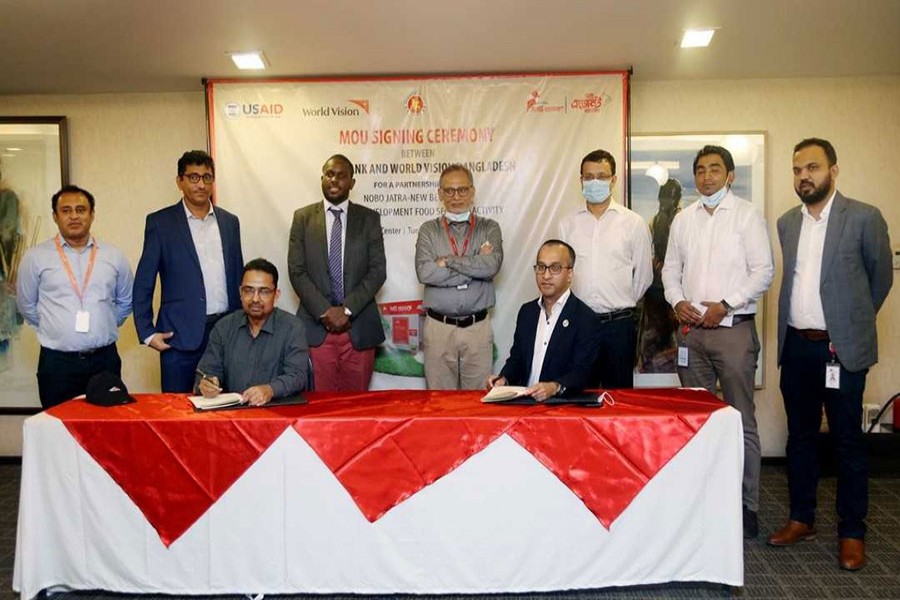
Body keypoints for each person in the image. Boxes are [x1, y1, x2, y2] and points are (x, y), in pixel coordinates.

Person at [768, 138, 893, 571]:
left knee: (847, 442)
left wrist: (849, 325)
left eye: (813, 167)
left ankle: (852, 531)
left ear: (833, 171)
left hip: (842, 349)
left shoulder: (863, 217)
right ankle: (802, 517)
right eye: (797, 169)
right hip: (797, 347)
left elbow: (879, 282)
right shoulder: (787, 222)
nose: (804, 176)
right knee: (799, 437)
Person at [661, 145, 774, 539]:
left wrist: (724, 305)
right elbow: (671, 269)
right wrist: (676, 301)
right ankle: (703, 501)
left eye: (715, 169)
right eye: (700, 170)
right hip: (691, 333)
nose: (706, 176)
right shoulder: (683, 220)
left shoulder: (746, 215)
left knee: (741, 420)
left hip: (733, 332)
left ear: (730, 176)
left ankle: (747, 506)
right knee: (697, 422)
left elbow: (764, 271)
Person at [133, 150, 244, 393]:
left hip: (225, 333)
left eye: (207, 177)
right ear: (179, 181)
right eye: (193, 177)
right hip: (179, 338)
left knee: (224, 410)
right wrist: (147, 332)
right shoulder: (160, 223)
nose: (201, 184)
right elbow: (144, 282)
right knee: (178, 413)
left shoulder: (229, 222)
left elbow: (237, 275)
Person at [16, 185, 133, 408]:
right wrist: (57, 327)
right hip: (57, 363)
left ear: (92, 215)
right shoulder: (35, 258)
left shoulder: (114, 257)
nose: (74, 216)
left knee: (105, 430)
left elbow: (126, 302)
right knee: (58, 428)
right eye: (66, 210)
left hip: (104, 360)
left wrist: (103, 322)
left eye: (81, 209)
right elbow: (27, 306)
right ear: (55, 216)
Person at [287, 154, 386, 391]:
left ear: (352, 183)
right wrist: (326, 311)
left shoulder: (369, 218)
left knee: (356, 409)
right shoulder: (303, 218)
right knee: (319, 409)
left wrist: (347, 309)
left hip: (359, 329)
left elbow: (377, 271)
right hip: (316, 328)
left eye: (342, 176)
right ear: (322, 178)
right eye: (329, 174)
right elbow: (296, 271)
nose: (334, 180)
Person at [558, 149, 652, 389]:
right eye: (588, 177)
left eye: (602, 176)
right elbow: (562, 275)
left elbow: (643, 277)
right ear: (581, 181)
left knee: (618, 398)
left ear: (614, 180)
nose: (595, 182)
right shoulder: (567, 224)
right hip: (578, 324)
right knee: (577, 394)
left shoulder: (633, 223)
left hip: (618, 326)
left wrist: (619, 302)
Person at [415, 164, 503, 389]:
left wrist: (448, 262)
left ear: (472, 192)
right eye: (449, 191)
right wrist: (474, 265)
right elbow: (425, 273)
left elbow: (491, 267)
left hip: (477, 329)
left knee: (477, 404)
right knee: (440, 405)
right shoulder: (428, 230)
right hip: (438, 329)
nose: (456, 196)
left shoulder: (489, 227)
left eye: (462, 190)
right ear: (440, 194)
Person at [486, 240, 600, 401]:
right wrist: (504, 379)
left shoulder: (586, 318)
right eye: (541, 267)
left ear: (569, 274)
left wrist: (554, 387)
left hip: (561, 408)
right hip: (525, 405)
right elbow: (517, 359)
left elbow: (583, 372)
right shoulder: (527, 312)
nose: (546, 275)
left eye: (555, 268)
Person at [196, 258, 309, 406]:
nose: (255, 299)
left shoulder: (293, 327)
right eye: (248, 290)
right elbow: (206, 372)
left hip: (278, 412)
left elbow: (298, 376)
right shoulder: (224, 327)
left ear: (276, 295)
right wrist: (207, 384)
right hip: (233, 415)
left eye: (264, 291)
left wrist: (270, 390)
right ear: (240, 293)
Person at [638, 179, 682, 372]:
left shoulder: (681, 220)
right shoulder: (656, 221)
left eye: (669, 198)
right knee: (658, 334)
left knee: (670, 334)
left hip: (674, 288)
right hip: (658, 287)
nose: (666, 202)